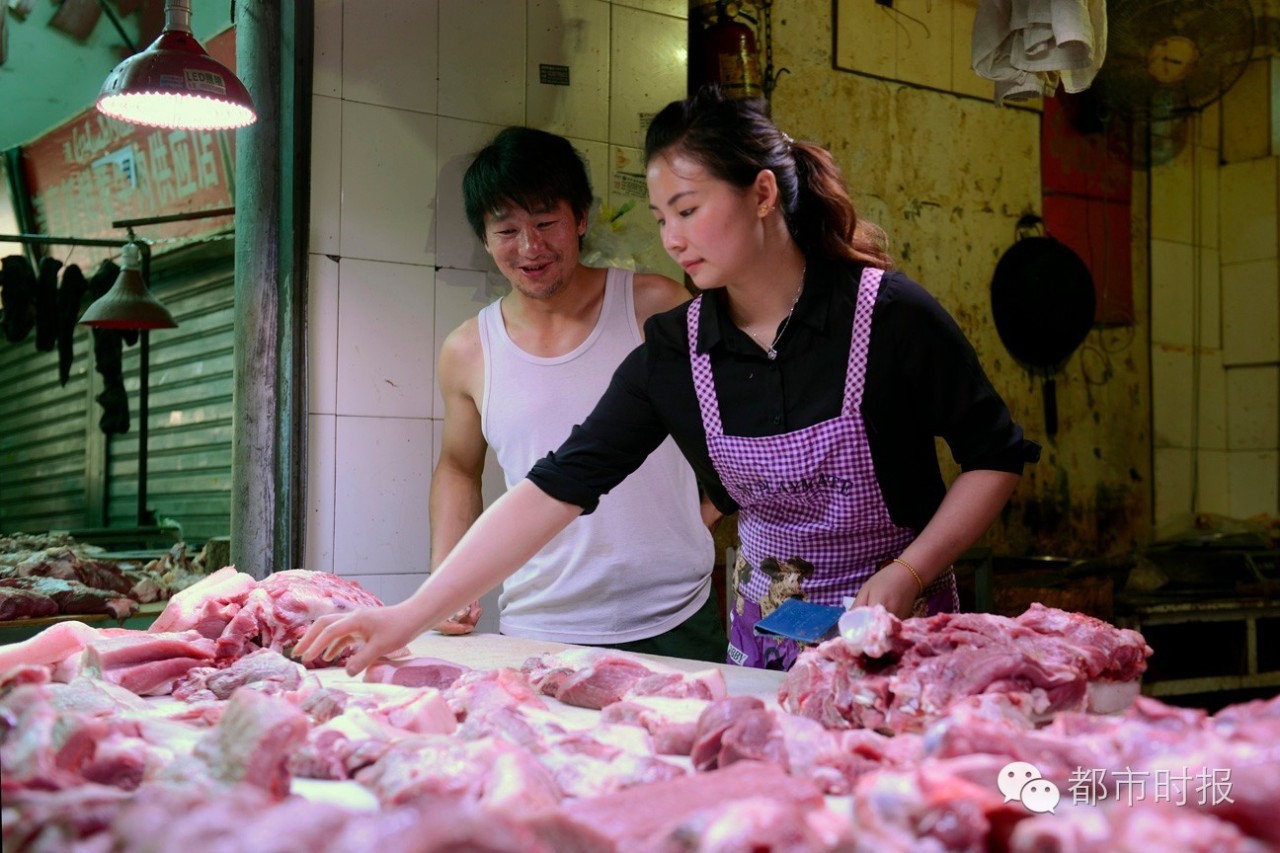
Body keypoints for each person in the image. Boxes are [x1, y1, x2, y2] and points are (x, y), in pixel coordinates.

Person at [296, 88, 1039, 675]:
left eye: (687, 210)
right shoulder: (676, 348)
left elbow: (995, 455)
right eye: (660, 218)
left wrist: (910, 571)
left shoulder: (889, 313)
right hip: (767, 637)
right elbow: (560, 482)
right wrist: (413, 614)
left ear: (761, 195)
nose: (672, 238)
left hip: (900, 627)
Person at [422, 126, 725, 660]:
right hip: (539, 623)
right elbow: (458, 469)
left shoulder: (656, 306)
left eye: (546, 223)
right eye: (507, 230)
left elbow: (733, 420)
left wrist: (705, 511)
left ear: (580, 218)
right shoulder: (467, 350)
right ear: (485, 238)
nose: (530, 248)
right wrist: (446, 580)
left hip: (675, 615)